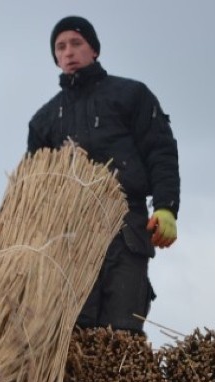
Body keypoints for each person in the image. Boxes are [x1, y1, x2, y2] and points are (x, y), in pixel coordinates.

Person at [28, 16, 181, 334]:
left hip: (126, 227)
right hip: (68, 236)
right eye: (60, 46)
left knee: (122, 328)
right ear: (55, 57)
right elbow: (34, 189)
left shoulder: (131, 95)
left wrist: (166, 208)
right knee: (73, 330)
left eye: (76, 43)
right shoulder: (43, 121)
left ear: (94, 50)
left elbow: (160, 151)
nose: (68, 51)